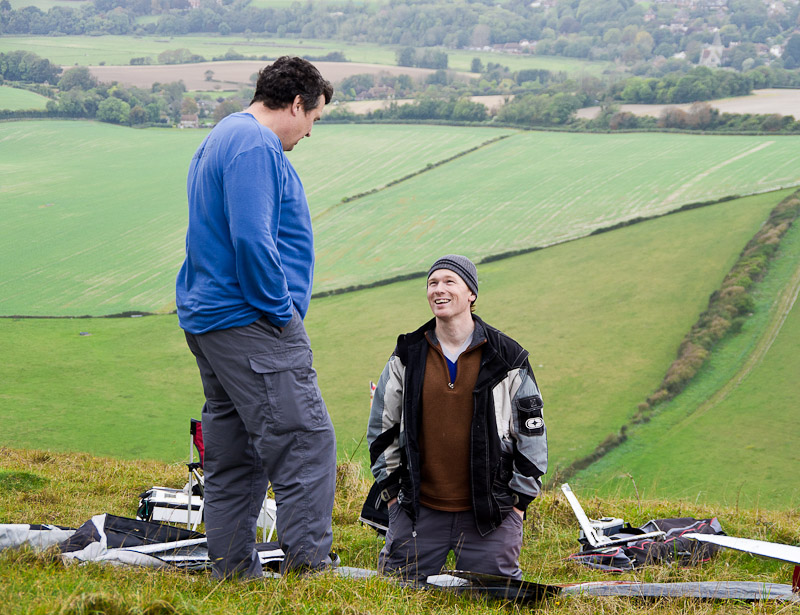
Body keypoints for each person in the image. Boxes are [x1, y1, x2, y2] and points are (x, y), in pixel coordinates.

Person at [175, 56, 336, 578]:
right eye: (313, 118)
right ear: (295, 104)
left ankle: (233, 573)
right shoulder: (254, 144)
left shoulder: (224, 135)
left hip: (213, 319)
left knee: (237, 455)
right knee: (305, 443)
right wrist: (281, 313)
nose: (310, 132)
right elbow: (251, 237)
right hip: (250, 322)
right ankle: (309, 572)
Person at [367, 255, 547, 581]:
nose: (439, 289)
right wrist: (393, 499)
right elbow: (381, 430)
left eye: (450, 281)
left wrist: (518, 506)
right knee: (395, 593)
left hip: (489, 515)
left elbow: (533, 437)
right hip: (418, 512)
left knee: (495, 598)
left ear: (471, 294)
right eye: (432, 283)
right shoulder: (407, 354)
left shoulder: (506, 357)